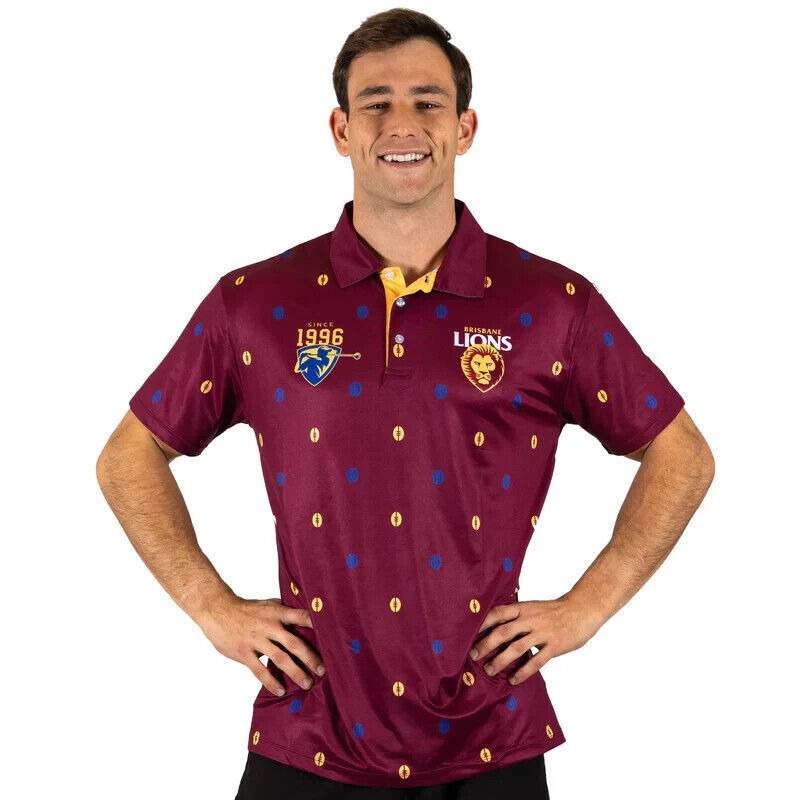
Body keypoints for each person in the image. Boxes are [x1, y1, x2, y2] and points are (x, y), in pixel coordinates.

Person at [96, 7, 714, 798]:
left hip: (491, 737)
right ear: (340, 129)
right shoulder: (254, 302)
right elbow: (129, 455)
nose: (402, 124)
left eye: (427, 102)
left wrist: (586, 608)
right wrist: (209, 605)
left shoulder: (551, 303)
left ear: (464, 128)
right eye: (375, 103)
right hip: (307, 735)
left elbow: (682, 453)